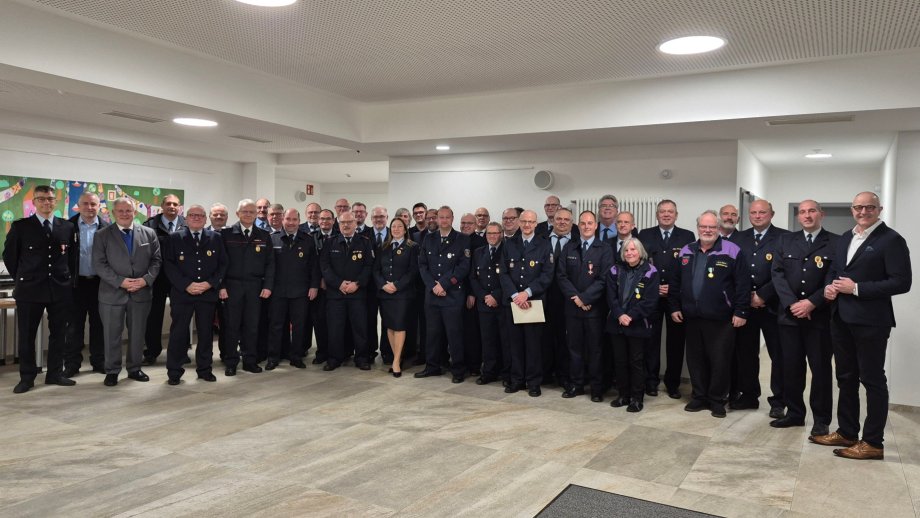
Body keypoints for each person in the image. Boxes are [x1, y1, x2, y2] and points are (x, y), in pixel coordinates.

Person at [813, 192, 912, 460]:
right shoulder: (846, 237)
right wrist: (829, 288)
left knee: (872, 380)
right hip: (841, 318)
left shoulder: (891, 240)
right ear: (852, 210)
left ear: (879, 209)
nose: (863, 211)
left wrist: (856, 288)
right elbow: (835, 271)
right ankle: (847, 431)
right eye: (858, 207)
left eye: (869, 207)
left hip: (871, 322)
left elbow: (902, 282)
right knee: (845, 378)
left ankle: (873, 443)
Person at [670, 210, 749, 418]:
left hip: (722, 318)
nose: (707, 230)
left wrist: (741, 311)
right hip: (692, 316)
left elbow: (743, 284)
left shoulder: (732, 250)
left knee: (720, 360)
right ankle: (699, 397)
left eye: (712, 227)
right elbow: (675, 282)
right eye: (704, 227)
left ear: (718, 228)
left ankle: (717, 400)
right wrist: (674, 307)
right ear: (698, 228)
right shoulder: (686, 250)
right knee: (695, 359)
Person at [770, 200, 837, 434]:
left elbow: (834, 277)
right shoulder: (786, 240)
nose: (807, 215)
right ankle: (795, 413)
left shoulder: (836, 242)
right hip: (789, 317)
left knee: (820, 370)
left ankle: (821, 420)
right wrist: (792, 304)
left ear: (821, 214)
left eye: (812, 211)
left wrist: (811, 303)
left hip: (818, 318)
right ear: (798, 217)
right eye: (802, 212)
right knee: (791, 367)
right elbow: (777, 274)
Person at [4, 185, 76, 393]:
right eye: (42, 199)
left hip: (60, 289)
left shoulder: (66, 227)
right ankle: (27, 377)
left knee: (59, 333)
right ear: (34, 202)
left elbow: (70, 259)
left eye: (51, 199)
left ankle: (54, 374)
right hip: (29, 290)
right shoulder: (21, 227)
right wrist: (25, 277)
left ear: (56, 202)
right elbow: (10, 257)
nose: (47, 202)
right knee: (27, 335)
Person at [94, 197, 162, 387]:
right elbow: (99, 264)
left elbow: (156, 261)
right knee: (111, 335)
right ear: (114, 213)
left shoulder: (149, 233)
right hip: (112, 294)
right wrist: (121, 282)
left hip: (141, 293)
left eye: (128, 210)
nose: (125, 214)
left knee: (138, 334)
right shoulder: (102, 235)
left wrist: (145, 280)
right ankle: (112, 371)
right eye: (121, 211)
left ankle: (134, 368)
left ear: (134, 212)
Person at [732, 200, 789, 418]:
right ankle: (749, 395)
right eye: (753, 212)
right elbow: (734, 270)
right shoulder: (739, 238)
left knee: (778, 355)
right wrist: (746, 296)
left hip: (773, 306)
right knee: (746, 354)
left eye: (762, 212)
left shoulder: (784, 237)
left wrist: (763, 295)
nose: (757, 216)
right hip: (745, 306)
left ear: (771, 214)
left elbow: (785, 272)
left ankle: (778, 400)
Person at [162, 204, 227, 384]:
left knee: (206, 334)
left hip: (207, 294)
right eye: (192, 215)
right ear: (186, 218)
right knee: (178, 334)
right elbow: (169, 265)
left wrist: (209, 284)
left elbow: (223, 264)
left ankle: (205, 369)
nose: (196, 218)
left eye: (200, 215)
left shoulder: (215, 238)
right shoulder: (174, 238)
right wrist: (186, 285)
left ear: (206, 219)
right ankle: (174, 372)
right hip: (183, 294)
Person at [638, 199, 695, 398]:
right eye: (662, 211)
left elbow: (689, 268)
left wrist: (672, 288)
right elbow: (640, 265)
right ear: (657, 214)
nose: (666, 214)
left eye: (670, 211)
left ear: (676, 215)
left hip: (676, 298)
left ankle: (673, 384)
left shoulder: (687, 236)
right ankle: (651, 382)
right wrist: (654, 287)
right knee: (650, 341)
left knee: (676, 343)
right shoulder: (644, 235)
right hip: (651, 297)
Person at [556, 210, 612, 401]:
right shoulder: (569, 247)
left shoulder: (604, 249)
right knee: (574, 349)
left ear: (596, 226)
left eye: (590, 223)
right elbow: (561, 276)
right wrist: (577, 299)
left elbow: (604, 279)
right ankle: (576, 385)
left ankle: (596, 388)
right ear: (578, 226)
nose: (586, 226)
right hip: (572, 309)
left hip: (594, 310)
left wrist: (586, 299)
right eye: (583, 223)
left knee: (595, 350)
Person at [500, 209, 554, 396]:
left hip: (534, 302)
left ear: (536, 223)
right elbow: (504, 272)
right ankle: (517, 380)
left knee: (533, 345)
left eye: (531, 222)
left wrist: (527, 293)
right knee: (514, 344)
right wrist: (516, 295)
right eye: (524, 221)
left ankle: (533, 382)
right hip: (514, 302)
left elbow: (547, 274)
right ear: (519, 222)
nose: (527, 225)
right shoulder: (509, 244)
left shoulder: (544, 245)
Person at [415, 206, 471, 382]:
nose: (444, 220)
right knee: (432, 334)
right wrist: (433, 285)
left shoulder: (462, 239)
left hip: (452, 295)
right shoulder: (429, 239)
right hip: (432, 295)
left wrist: (444, 284)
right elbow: (422, 264)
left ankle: (458, 370)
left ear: (452, 219)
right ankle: (432, 367)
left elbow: (463, 267)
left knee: (454, 335)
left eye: (447, 217)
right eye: (441, 217)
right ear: (436, 219)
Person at [219, 199, 274, 375]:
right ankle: (231, 362)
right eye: (245, 211)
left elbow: (270, 264)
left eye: (251, 211)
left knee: (252, 326)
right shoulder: (226, 234)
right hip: (232, 286)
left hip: (255, 287)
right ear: (237, 214)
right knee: (231, 326)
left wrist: (268, 286)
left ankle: (250, 360)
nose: (248, 214)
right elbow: (219, 264)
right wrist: (221, 286)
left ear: (256, 214)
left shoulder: (264, 236)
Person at [606, 237, 659, 411]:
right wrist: (620, 314)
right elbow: (611, 297)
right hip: (617, 324)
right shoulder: (614, 270)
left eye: (633, 250)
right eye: (626, 250)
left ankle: (637, 398)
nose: (629, 253)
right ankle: (623, 395)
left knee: (636, 362)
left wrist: (630, 316)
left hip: (638, 325)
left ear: (640, 251)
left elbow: (650, 301)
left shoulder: (651, 271)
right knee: (619, 361)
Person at [320, 210, 374, 371]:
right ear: (338, 223)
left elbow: (368, 266)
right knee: (335, 328)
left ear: (355, 224)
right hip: (336, 294)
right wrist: (339, 284)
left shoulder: (365, 242)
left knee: (360, 328)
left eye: (349, 222)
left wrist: (357, 284)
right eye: (343, 222)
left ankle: (362, 358)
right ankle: (334, 358)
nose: (346, 225)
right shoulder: (330, 242)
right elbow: (325, 266)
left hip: (357, 293)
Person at [267, 208, 319, 370]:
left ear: (299, 221)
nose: (291, 223)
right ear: (282, 220)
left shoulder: (308, 240)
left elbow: (314, 266)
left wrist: (314, 286)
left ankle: (296, 357)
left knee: (299, 326)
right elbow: (269, 267)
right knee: (276, 325)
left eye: (294, 220)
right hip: (278, 291)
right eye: (288, 219)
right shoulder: (273, 239)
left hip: (300, 291)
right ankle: (273, 357)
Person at [64, 191, 109, 376]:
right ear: (78, 205)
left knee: (99, 325)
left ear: (99, 206)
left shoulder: (107, 228)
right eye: (85, 204)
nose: (89, 208)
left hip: (100, 284)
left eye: (93, 204)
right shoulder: (67, 227)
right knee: (74, 327)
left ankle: (99, 362)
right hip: (75, 285)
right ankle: (72, 365)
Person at [142, 193, 185, 365]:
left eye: (175, 204)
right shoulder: (150, 225)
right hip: (157, 279)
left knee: (181, 317)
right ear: (162, 206)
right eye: (168, 203)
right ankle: (151, 352)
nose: (172, 207)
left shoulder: (186, 225)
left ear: (179, 207)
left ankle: (180, 352)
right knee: (153, 317)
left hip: (180, 280)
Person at [374, 217, 419, 377]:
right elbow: (376, 270)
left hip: (403, 294)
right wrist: (383, 285)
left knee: (399, 326)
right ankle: (396, 358)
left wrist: (397, 285)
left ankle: (396, 361)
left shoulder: (412, 247)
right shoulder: (383, 247)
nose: (396, 229)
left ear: (405, 229)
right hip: (385, 294)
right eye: (393, 226)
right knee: (390, 326)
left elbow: (413, 271)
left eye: (400, 226)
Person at [470, 222, 507, 385]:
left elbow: (510, 277)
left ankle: (506, 373)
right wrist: (484, 296)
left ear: (501, 234)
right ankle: (489, 372)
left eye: (495, 233)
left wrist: (496, 296)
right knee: (488, 340)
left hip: (502, 303)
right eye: (489, 233)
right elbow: (473, 277)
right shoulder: (478, 252)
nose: (492, 236)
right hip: (484, 304)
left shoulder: (507, 250)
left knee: (505, 340)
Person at [543, 207, 576, 388]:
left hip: (568, 298)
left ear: (572, 223)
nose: (562, 222)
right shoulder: (542, 241)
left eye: (566, 220)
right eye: (559, 219)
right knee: (545, 337)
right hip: (545, 297)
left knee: (566, 339)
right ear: (553, 221)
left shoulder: (577, 243)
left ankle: (564, 375)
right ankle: (546, 373)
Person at [310, 209, 337, 364]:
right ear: (318, 221)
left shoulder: (340, 236)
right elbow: (312, 263)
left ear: (334, 221)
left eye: (328, 219)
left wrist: (330, 279)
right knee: (319, 321)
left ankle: (337, 352)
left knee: (336, 322)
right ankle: (322, 352)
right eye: (322, 219)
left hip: (336, 286)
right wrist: (319, 280)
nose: (325, 221)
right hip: (318, 287)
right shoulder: (311, 238)